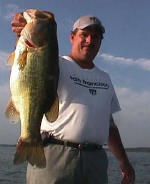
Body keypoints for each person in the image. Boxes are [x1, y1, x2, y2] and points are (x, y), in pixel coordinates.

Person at [11, 12, 135, 184]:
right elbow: (29, 59)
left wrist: (124, 161)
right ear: (72, 37)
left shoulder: (105, 78)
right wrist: (22, 29)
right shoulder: (56, 63)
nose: (90, 40)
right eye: (84, 35)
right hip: (55, 156)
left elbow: (109, 125)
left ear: (100, 42)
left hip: (95, 161)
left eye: (95, 37)